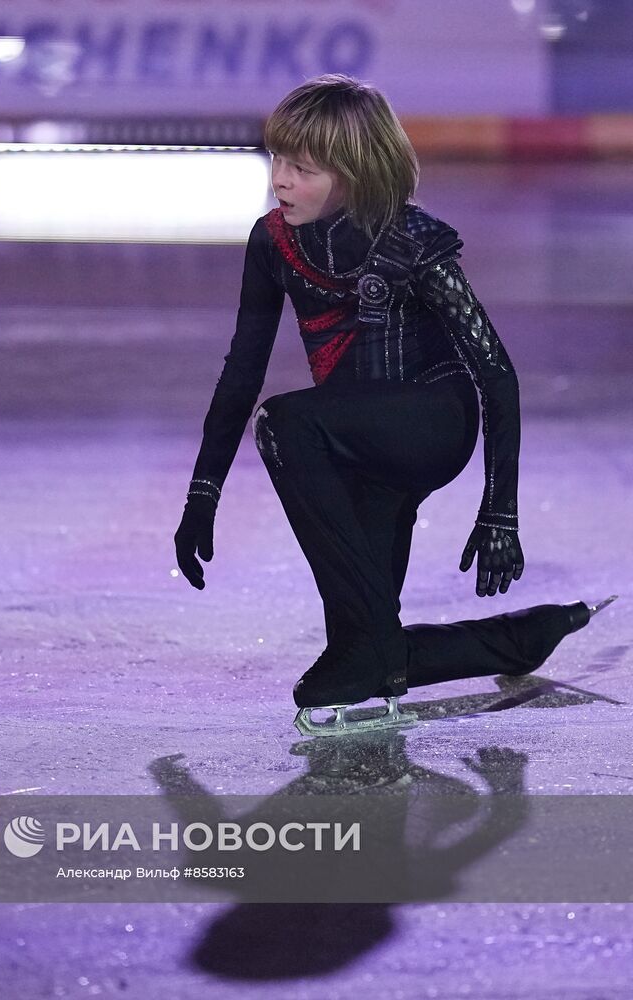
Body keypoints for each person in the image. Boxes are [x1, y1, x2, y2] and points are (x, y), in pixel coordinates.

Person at [174, 74, 615, 737]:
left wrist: (499, 513)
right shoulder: (274, 244)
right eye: (276, 161)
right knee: (364, 641)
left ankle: (389, 648)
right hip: (352, 439)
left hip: (432, 422)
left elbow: (495, 372)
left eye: (302, 167)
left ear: (351, 172)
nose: (280, 181)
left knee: (284, 423)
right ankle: (524, 636)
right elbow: (243, 368)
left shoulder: (412, 240)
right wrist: (202, 493)